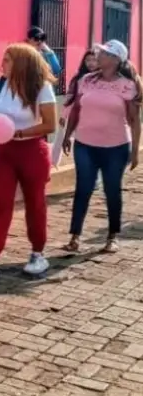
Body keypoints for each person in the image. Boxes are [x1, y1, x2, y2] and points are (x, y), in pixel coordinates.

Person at [0, 44, 57, 282]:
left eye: (8, 59)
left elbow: (50, 125)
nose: (3, 63)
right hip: (3, 151)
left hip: (32, 150)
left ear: (21, 63)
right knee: (0, 203)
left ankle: (38, 253)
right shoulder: (2, 84)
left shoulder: (42, 87)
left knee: (35, 203)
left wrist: (19, 133)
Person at [62, 40, 141, 253]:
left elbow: (134, 120)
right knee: (83, 189)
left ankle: (112, 236)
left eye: (105, 53)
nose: (99, 55)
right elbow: (77, 109)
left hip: (116, 147)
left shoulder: (127, 85)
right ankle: (75, 236)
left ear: (116, 60)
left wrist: (135, 151)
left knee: (112, 190)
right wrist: (67, 135)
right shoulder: (86, 80)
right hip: (85, 144)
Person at [59, 49, 98, 128]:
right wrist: (64, 115)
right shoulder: (78, 78)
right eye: (88, 60)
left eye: (94, 60)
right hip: (82, 118)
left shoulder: (104, 78)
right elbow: (71, 97)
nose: (91, 63)